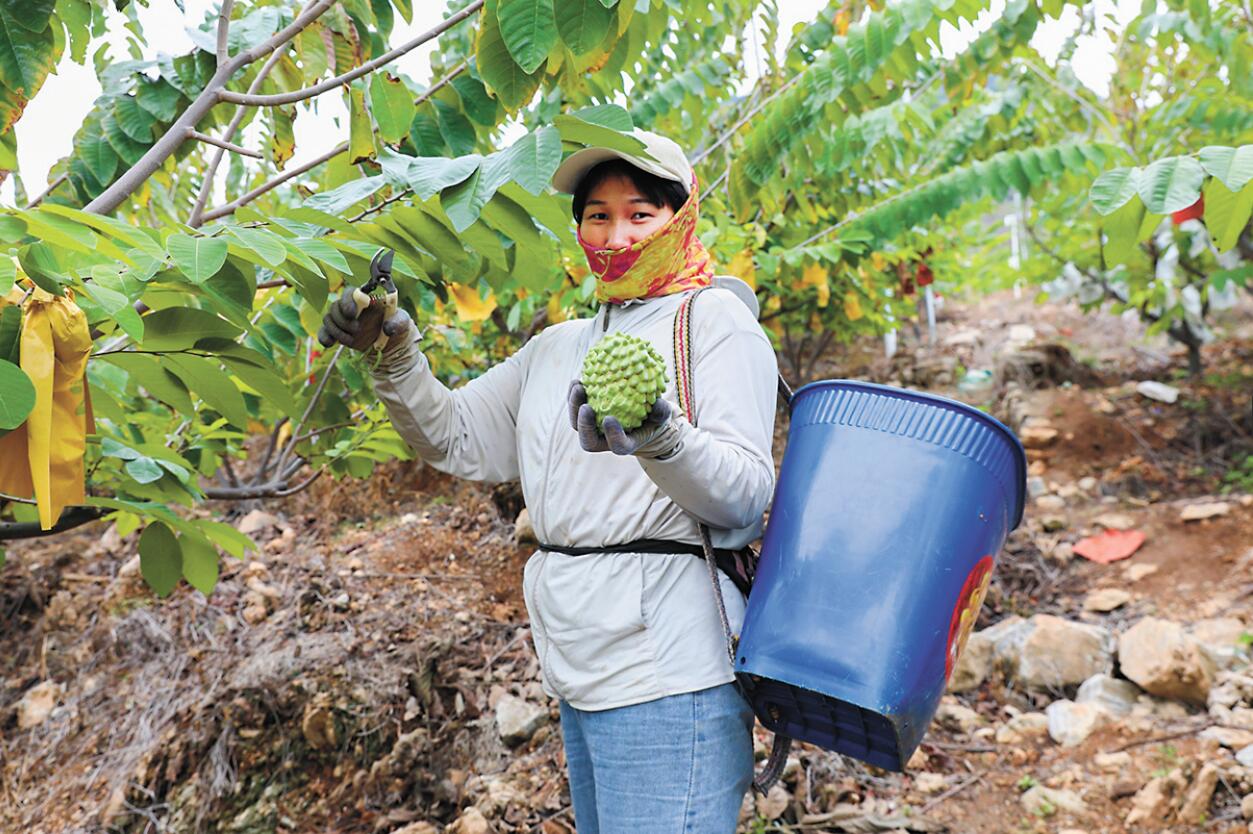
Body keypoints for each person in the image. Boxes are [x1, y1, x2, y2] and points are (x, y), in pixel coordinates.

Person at [319, 128, 779, 833]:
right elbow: (459, 437)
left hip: (670, 667)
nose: (616, 233)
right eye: (597, 215)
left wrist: (659, 436)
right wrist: (392, 350)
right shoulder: (560, 346)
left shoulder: (713, 323)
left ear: (679, 217)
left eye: (640, 213)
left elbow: (745, 498)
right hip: (575, 661)